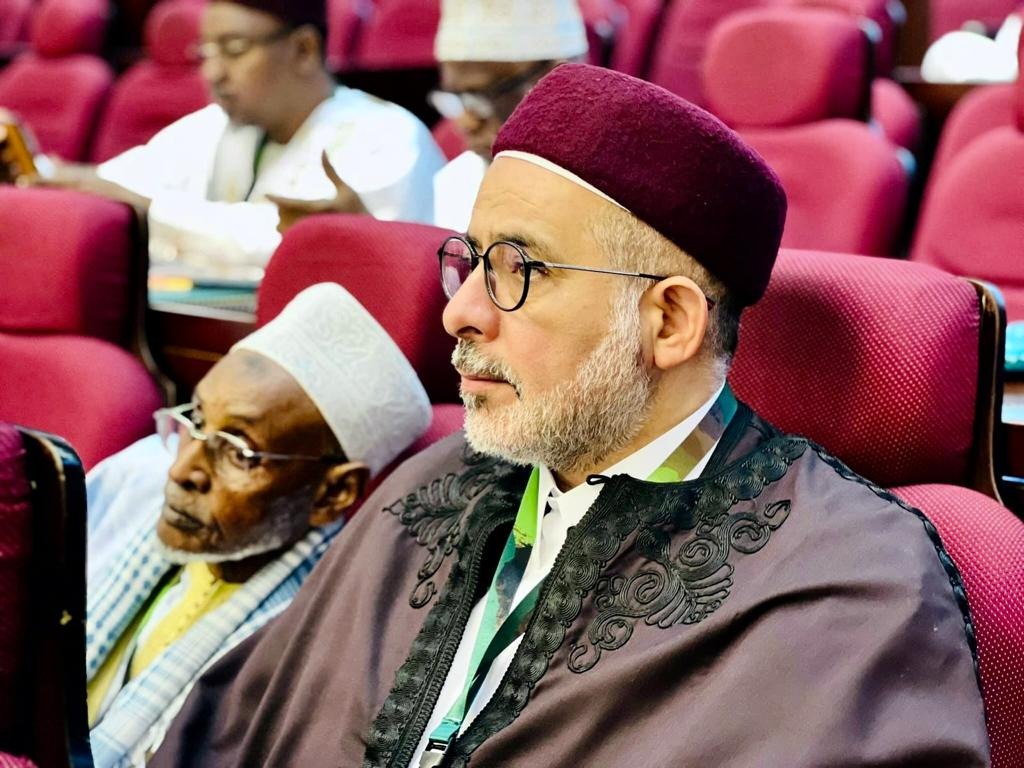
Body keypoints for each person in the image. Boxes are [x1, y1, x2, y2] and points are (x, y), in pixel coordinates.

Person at [149, 64, 989, 767]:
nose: (460, 312)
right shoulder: (434, 483)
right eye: (471, 261)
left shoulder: (848, 578)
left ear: (669, 322)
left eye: (520, 269)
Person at [84, 282, 432, 767]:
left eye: (238, 451)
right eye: (196, 419)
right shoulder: (132, 480)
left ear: (332, 493)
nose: (182, 470)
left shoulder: (317, 640)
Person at [45, 0, 445, 274]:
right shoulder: (221, 124)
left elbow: (285, 247)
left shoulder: (386, 136)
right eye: (206, 53)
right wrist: (48, 174)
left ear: (304, 49)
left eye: (234, 50)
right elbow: (119, 182)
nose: (212, 73)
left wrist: (149, 209)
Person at [429, 0, 588, 231]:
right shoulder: (456, 184)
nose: (466, 122)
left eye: (480, 97)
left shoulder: (617, 194)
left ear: (559, 78)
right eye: (457, 98)